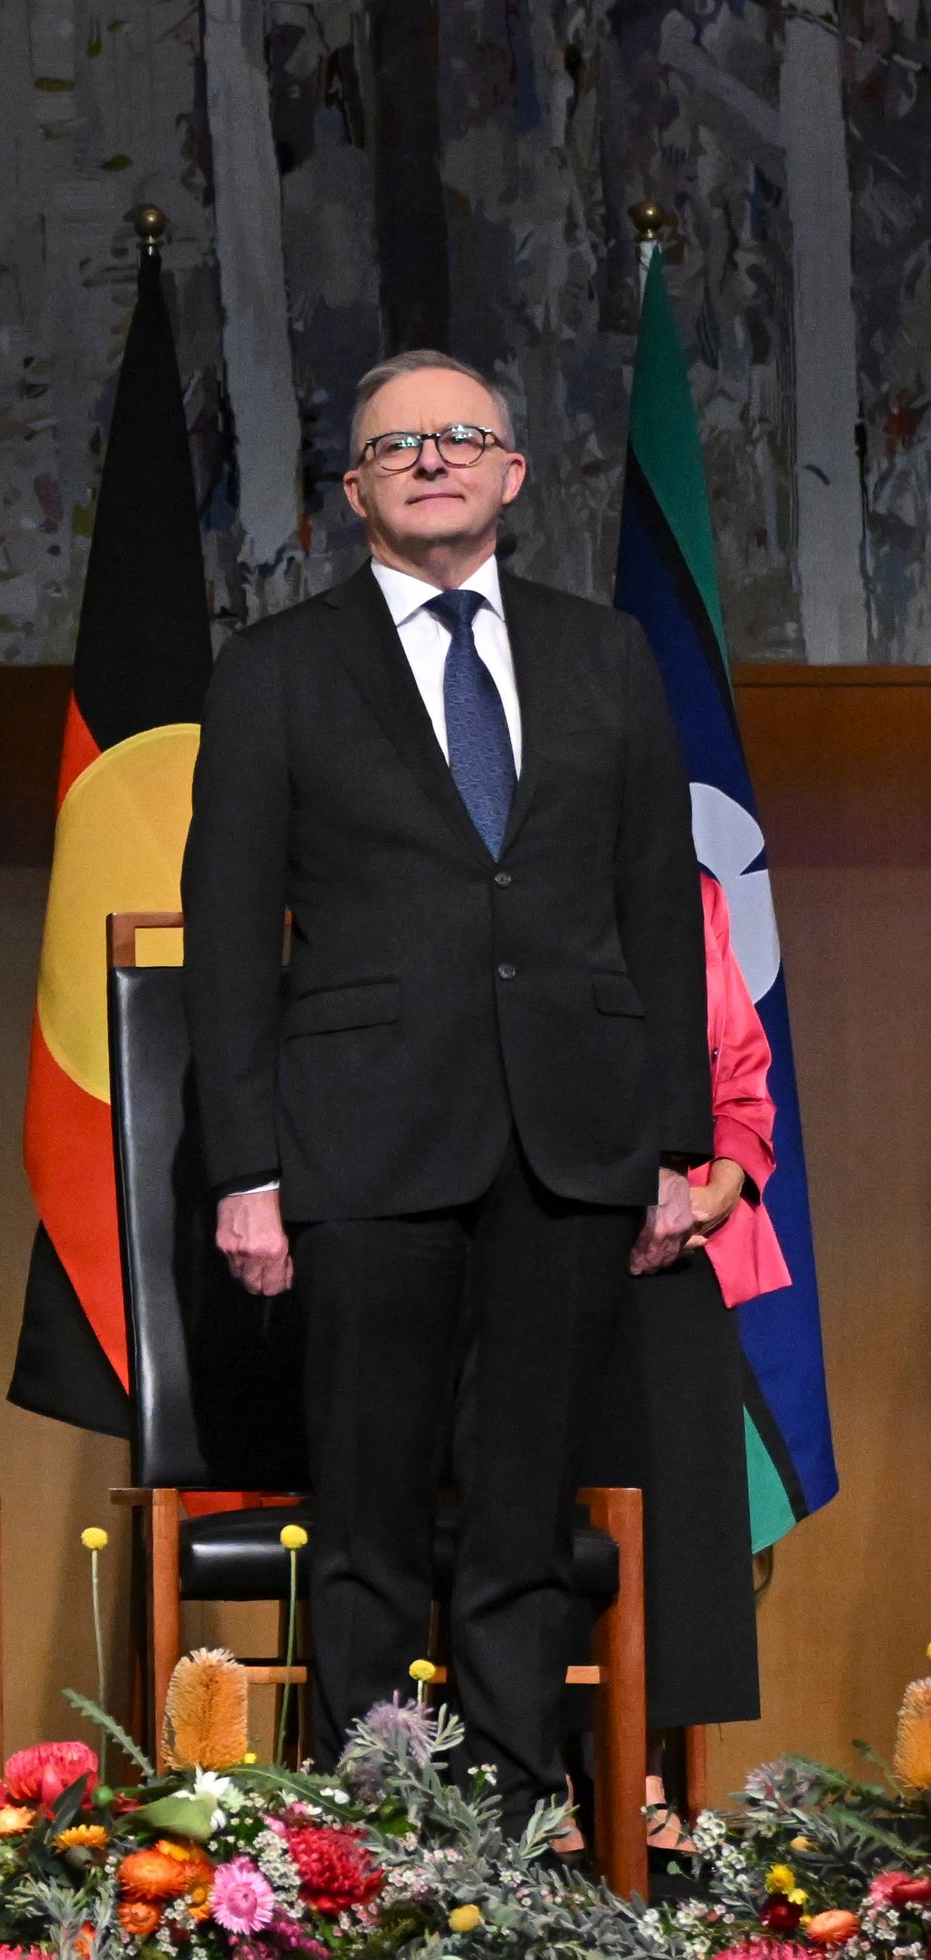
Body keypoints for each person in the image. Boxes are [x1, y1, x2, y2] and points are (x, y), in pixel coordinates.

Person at [183, 350, 709, 1831]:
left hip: (571, 1139)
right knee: (363, 1523)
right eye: (396, 446)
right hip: (363, 1145)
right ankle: (371, 1842)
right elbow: (227, 936)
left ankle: (518, 1826)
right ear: (353, 489)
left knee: (526, 1518)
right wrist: (246, 1168)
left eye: (460, 438)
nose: (430, 461)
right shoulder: (278, 669)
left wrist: (675, 1138)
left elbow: (656, 908)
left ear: (513, 475)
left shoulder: (606, 655)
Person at [575, 864, 788, 1818]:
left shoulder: (687, 890)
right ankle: (561, 1763)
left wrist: (723, 1186)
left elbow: (742, 1075)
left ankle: (644, 1762)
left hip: (690, 1233)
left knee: (701, 1474)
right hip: (554, 1231)